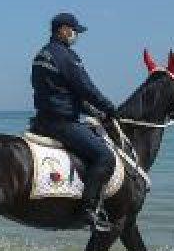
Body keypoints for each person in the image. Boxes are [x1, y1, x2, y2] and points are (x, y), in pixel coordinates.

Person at [30, 12, 117, 232]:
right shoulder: (66, 56)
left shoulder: (42, 54)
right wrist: (109, 108)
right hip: (61, 123)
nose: (76, 35)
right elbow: (85, 87)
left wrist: (91, 111)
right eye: (74, 30)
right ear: (63, 29)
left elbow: (62, 92)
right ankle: (88, 211)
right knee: (105, 156)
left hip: (42, 119)